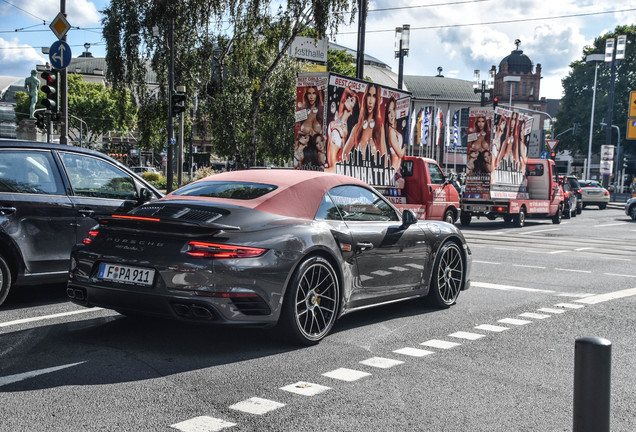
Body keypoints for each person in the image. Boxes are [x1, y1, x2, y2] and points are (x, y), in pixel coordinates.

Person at [342, 84, 386, 165]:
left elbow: (385, 157)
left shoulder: (379, 127)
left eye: (374, 96)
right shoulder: (357, 128)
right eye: (369, 95)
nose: (370, 101)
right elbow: (345, 153)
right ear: (365, 97)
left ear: (377, 100)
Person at [326, 86, 357, 172]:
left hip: (334, 168)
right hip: (329, 166)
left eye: (352, 100)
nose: (349, 98)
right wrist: (353, 94)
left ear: (352, 111)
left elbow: (343, 154)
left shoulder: (344, 130)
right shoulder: (339, 117)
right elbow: (346, 89)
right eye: (349, 97)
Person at [383, 97, 405, 176]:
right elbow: (400, 154)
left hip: (396, 171)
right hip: (394, 170)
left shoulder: (394, 130)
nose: (392, 114)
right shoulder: (391, 132)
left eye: (393, 110)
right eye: (389, 112)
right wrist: (405, 146)